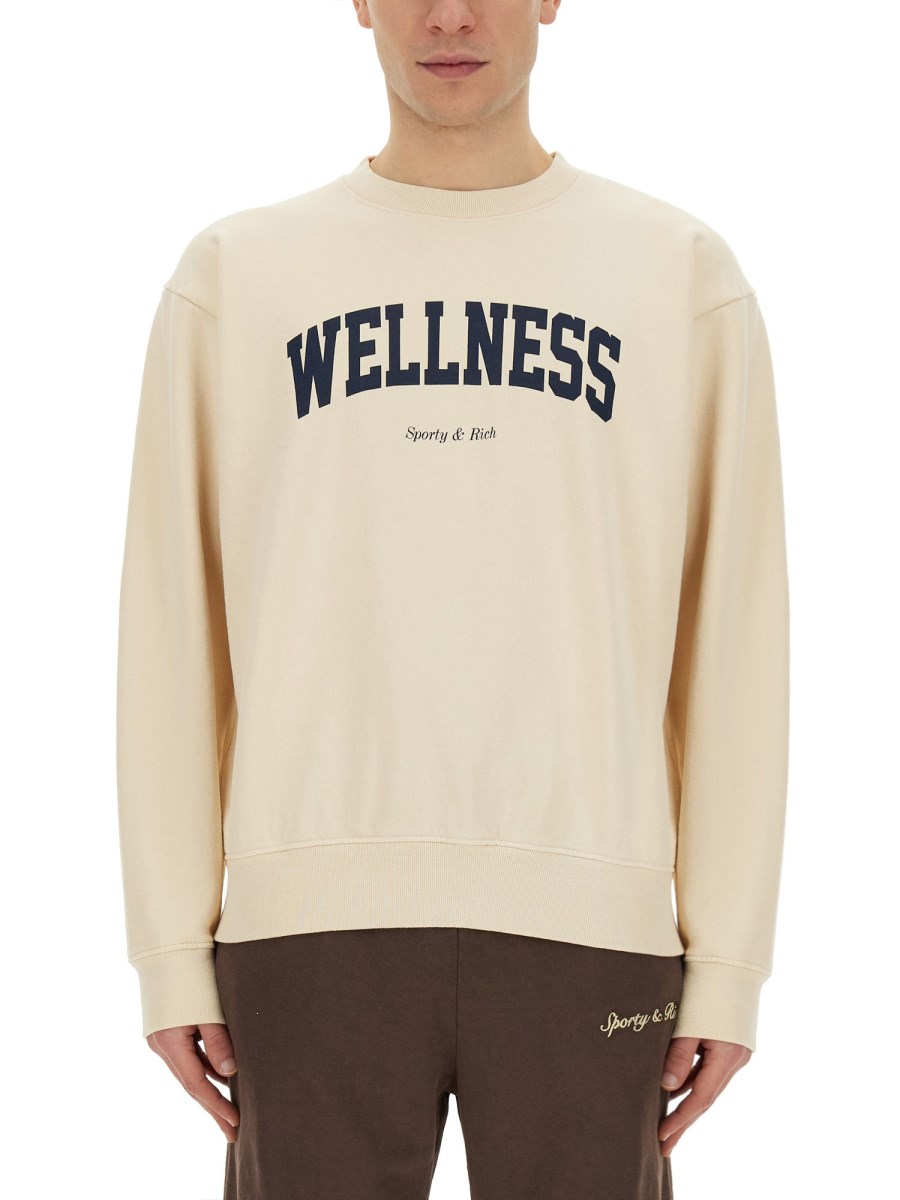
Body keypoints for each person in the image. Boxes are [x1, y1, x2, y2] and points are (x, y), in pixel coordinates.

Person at [115, 1, 790, 1196]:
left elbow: (735, 635)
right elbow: (171, 629)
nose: (451, 15)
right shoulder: (238, 276)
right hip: (307, 929)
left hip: (593, 922)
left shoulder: (678, 275)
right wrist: (169, 948)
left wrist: (730, 960)